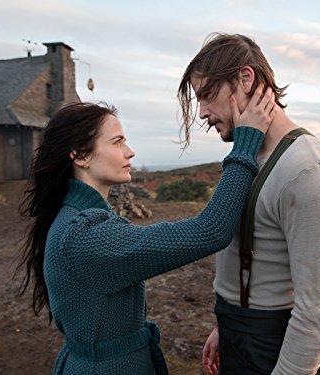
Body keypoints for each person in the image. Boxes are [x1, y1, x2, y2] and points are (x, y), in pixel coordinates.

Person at [16, 88, 275, 375]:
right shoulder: (83, 235)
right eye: (117, 142)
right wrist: (245, 142)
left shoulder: (79, 219)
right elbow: (210, 230)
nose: (130, 151)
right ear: (80, 156)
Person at [178, 33, 320, 375]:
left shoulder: (307, 169)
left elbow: (318, 311)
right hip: (236, 331)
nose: (203, 113)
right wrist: (224, 328)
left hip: (269, 345)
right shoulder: (248, 156)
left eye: (207, 96)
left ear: (245, 78)